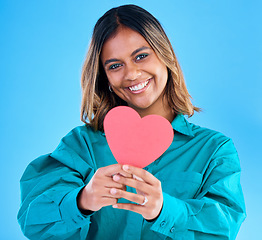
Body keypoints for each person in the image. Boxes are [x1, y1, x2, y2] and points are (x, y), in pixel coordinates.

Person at [17, 4, 246, 240]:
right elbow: (32, 221)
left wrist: (164, 210)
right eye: (115, 65)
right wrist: (82, 200)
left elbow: (224, 228)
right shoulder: (82, 145)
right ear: (104, 76)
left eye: (141, 56)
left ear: (164, 54)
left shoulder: (215, 150)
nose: (132, 74)